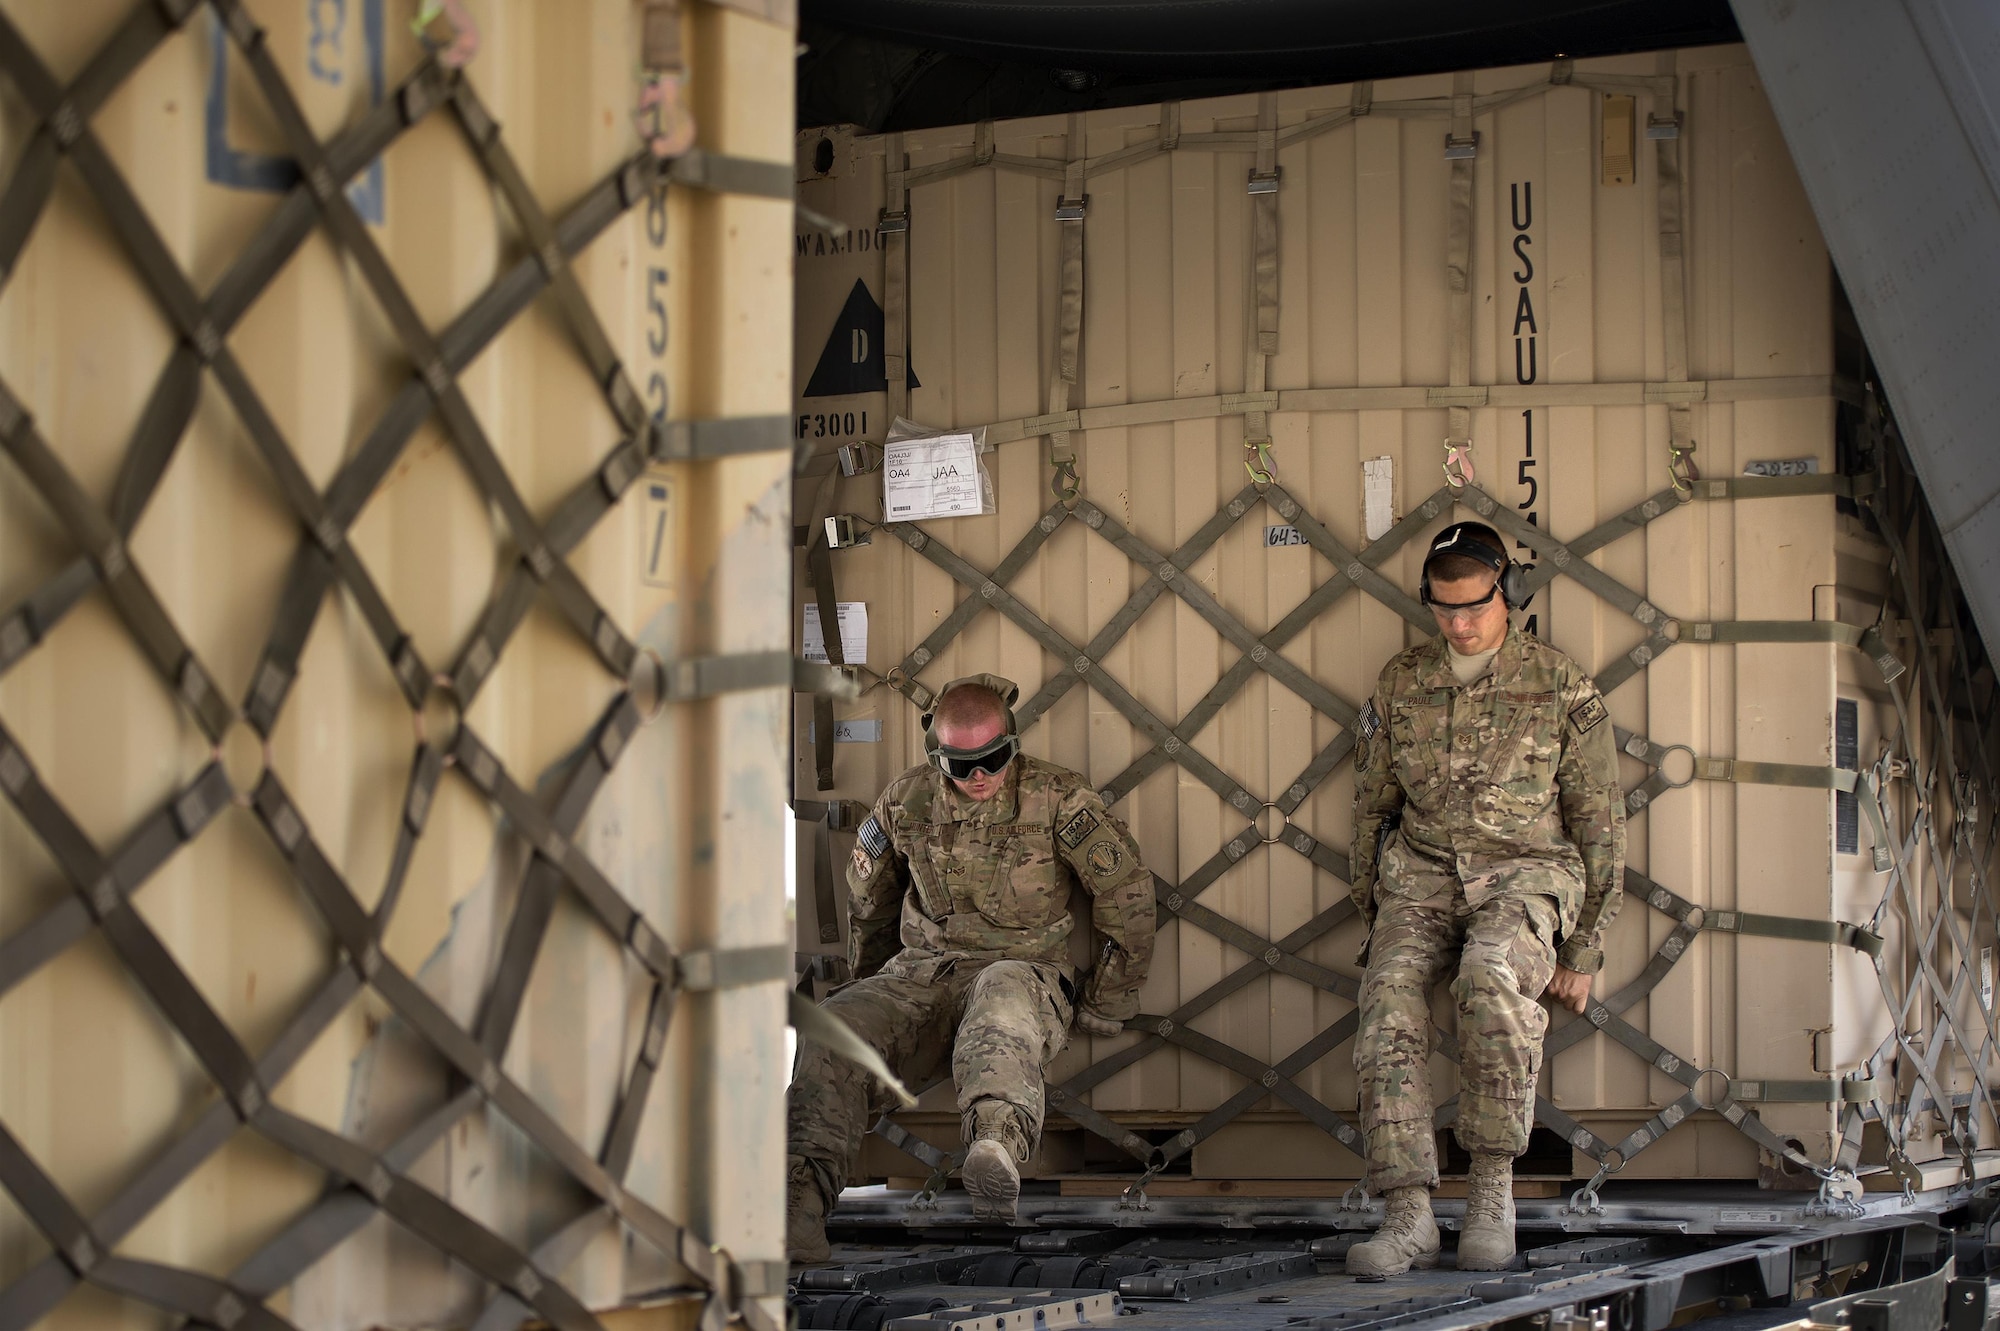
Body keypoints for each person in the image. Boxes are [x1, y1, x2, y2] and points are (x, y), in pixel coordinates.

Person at [786, 674, 1157, 1263]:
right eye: (962, 765)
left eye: (993, 758)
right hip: (924, 972)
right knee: (834, 1026)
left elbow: (1127, 897)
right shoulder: (905, 801)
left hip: (1022, 967)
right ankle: (798, 1204)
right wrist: (874, 991)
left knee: (1000, 999)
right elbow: (869, 903)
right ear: (938, 757)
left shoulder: (1059, 797)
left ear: (1013, 743)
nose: (979, 776)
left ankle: (995, 1147)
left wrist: (1109, 998)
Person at [1346, 521, 1625, 1275]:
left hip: (1526, 873)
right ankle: (1406, 1212)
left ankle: (1491, 1192)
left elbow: (1600, 820)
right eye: (1444, 609)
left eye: (1474, 606)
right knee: (1387, 999)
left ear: (1508, 594)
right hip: (1423, 875)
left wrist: (1584, 946)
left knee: (1490, 977)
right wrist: (1376, 912)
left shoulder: (1560, 686)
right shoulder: (1402, 682)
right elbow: (1373, 804)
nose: (1460, 624)